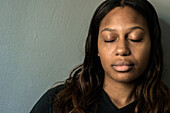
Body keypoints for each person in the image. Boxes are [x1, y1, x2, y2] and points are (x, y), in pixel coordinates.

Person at [30, 0, 170, 113]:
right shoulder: (58, 101)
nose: (122, 49)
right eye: (109, 39)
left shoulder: (166, 105)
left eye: (135, 38)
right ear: (96, 48)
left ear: (152, 45)